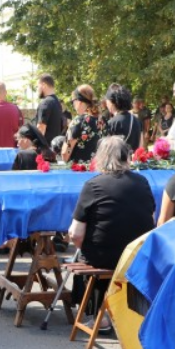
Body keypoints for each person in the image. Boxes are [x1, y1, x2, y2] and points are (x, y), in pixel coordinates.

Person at [67, 137, 156, 329]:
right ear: (127, 156)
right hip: (136, 255)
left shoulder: (93, 185)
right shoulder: (142, 182)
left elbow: (75, 233)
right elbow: (152, 219)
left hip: (105, 256)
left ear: (101, 157)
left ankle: (102, 316)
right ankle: (126, 313)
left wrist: (85, 248)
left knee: (88, 255)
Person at [63, 84, 103, 164]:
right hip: (98, 171)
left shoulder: (78, 121)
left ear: (79, 101)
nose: (73, 105)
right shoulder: (102, 121)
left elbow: (65, 154)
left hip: (80, 172)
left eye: (73, 101)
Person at [103, 83, 141, 150]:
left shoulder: (112, 123)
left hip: (117, 160)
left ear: (112, 102)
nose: (106, 104)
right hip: (132, 159)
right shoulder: (136, 120)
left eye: (107, 101)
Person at [34, 73, 65, 142]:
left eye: (37, 86)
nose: (37, 89)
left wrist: (35, 146)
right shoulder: (57, 102)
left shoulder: (45, 103)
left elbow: (41, 128)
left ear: (43, 85)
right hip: (54, 147)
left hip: (45, 149)